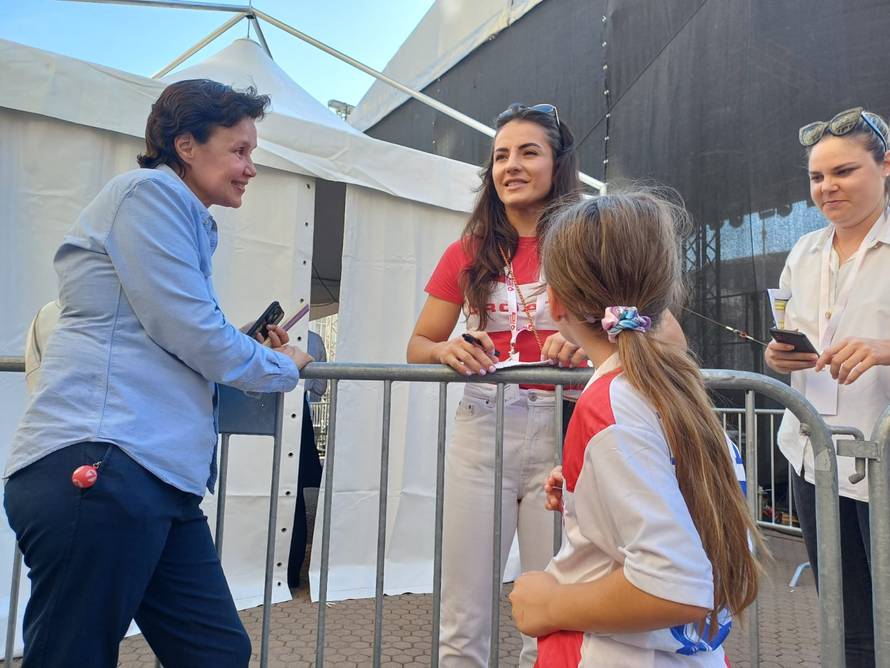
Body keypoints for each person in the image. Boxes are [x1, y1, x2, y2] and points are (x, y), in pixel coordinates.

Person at [3, 79, 312, 668]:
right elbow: (191, 332)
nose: (251, 167)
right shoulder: (148, 194)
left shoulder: (180, 214)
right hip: (106, 462)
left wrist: (241, 349)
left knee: (217, 652)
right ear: (186, 144)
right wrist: (278, 364)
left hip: (152, 479)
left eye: (254, 153)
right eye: (240, 150)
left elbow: (174, 336)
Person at [508, 192, 763, 667]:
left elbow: (676, 584)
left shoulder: (611, 403)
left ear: (556, 303)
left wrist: (547, 604)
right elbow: (678, 498)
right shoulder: (676, 390)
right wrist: (592, 493)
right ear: (666, 297)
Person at [406, 103, 587, 666]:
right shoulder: (466, 252)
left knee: (551, 609)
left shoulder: (590, 239)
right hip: (483, 425)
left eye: (528, 152)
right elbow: (418, 346)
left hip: (569, 427)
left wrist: (589, 347)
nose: (511, 165)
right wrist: (446, 348)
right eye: (500, 156)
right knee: (464, 614)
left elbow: (649, 327)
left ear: (558, 164)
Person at [764, 106, 890, 668]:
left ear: (886, 168)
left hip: (881, 459)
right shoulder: (804, 251)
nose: (827, 187)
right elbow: (787, 341)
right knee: (843, 620)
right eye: (817, 176)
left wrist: (885, 349)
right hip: (813, 457)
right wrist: (777, 357)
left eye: (844, 172)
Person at [287, 329, 326, 588]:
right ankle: (290, 574)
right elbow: (320, 386)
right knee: (294, 496)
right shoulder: (314, 340)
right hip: (298, 414)